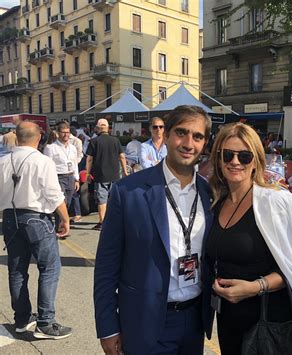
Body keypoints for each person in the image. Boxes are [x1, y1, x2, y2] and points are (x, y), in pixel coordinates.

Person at [94, 105, 214, 354]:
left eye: (198, 136)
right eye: (181, 133)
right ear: (166, 136)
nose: (188, 143)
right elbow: (106, 266)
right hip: (144, 322)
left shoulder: (210, 193)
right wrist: (107, 327)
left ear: (205, 143)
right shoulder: (127, 191)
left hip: (194, 321)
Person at [206, 122, 292, 355]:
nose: (235, 162)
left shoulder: (276, 201)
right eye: (228, 155)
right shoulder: (217, 202)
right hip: (228, 321)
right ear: (218, 158)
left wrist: (255, 287)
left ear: (256, 161)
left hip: (270, 322)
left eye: (244, 156)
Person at [0, 121, 72, 339]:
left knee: (17, 269)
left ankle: (22, 319)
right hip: (36, 218)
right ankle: (46, 322)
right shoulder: (42, 161)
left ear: (17, 137)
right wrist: (65, 219)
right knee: (49, 268)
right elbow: (53, 195)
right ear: (39, 138)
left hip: (10, 218)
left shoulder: (3, 161)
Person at [85, 119, 128, 231]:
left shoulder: (94, 141)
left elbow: (89, 159)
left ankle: (103, 222)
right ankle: (117, 221)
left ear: (98, 128)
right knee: (114, 199)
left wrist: (88, 173)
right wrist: (125, 171)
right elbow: (122, 156)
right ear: (108, 128)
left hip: (101, 176)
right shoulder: (115, 140)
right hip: (115, 175)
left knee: (102, 199)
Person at [43, 122, 80, 236]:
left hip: (70, 176)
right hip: (58, 177)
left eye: (67, 133)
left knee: (68, 202)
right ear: (58, 133)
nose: (66, 135)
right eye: (63, 133)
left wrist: (76, 179)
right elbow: (47, 165)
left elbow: (74, 164)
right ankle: (60, 227)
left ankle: (62, 223)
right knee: (61, 202)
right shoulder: (51, 148)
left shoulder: (72, 148)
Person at [69, 126, 84, 223]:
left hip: (73, 168)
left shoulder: (77, 141)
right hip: (64, 169)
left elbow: (80, 155)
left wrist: (74, 163)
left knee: (74, 192)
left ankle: (77, 213)